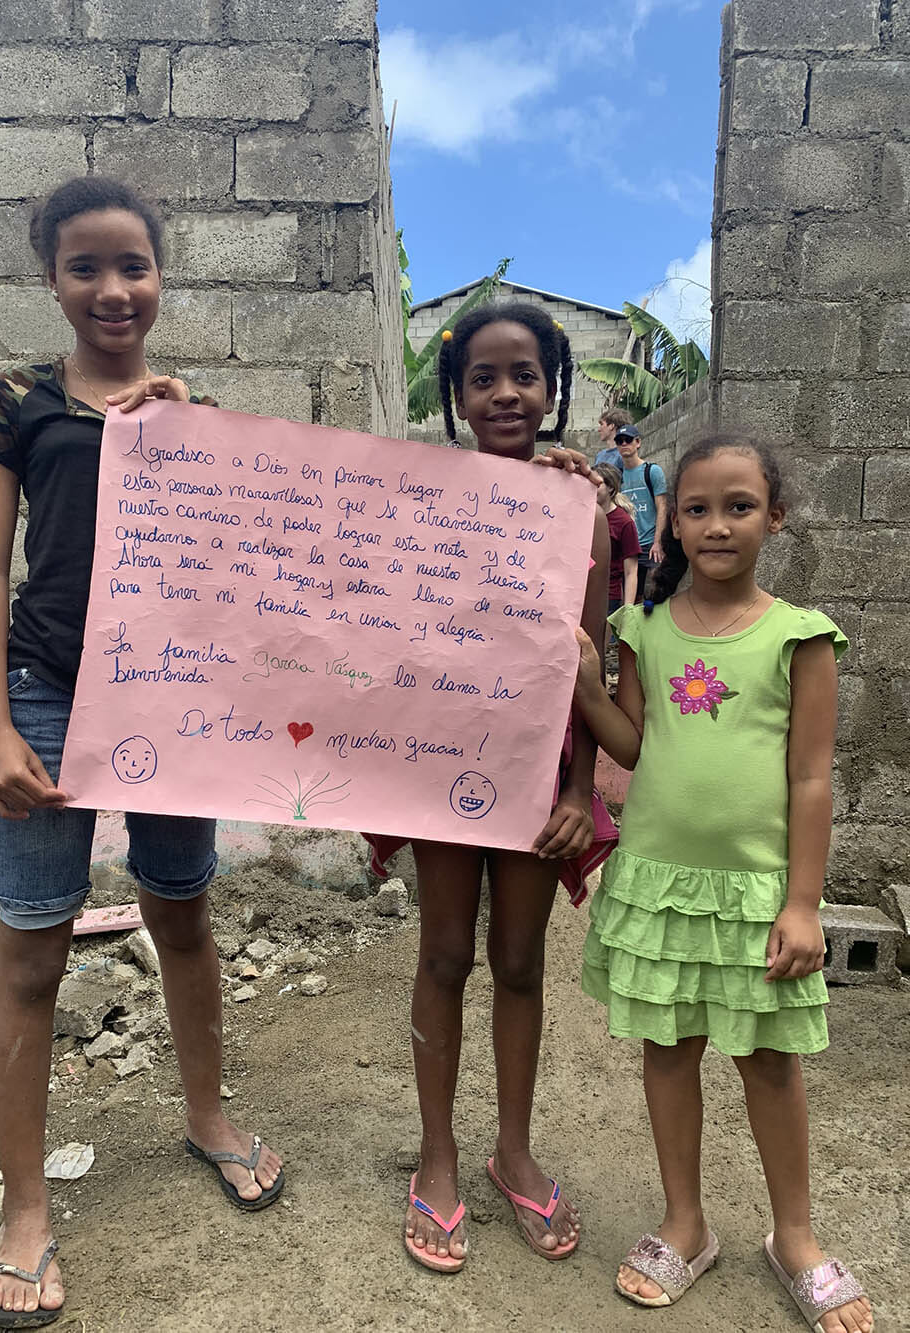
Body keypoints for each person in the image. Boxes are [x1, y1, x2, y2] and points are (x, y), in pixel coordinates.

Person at [0, 176, 284, 1330]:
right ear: (50, 276)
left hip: (168, 702)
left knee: (183, 911)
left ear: (162, 276)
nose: (112, 288)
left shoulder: (191, 408)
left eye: (133, 265)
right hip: (49, 693)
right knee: (31, 952)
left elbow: (244, 568)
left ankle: (207, 1115)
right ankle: (28, 1208)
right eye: (86, 266)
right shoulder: (13, 403)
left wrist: (188, 434)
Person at [571, 435, 873, 1332]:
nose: (716, 524)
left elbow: (811, 777)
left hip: (756, 895)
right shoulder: (648, 632)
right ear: (673, 519)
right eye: (697, 508)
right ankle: (684, 1221)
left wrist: (804, 901)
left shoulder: (800, 636)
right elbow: (634, 747)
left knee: (769, 1062)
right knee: (667, 1053)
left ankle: (796, 1236)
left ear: (774, 518)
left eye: (739, 506)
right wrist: (590, 687)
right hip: (662, 888)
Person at [365, 303, 616, 1273]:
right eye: (483, 376)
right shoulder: (418, 498)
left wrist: (578, 789)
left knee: (517, 961)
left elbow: (592, 665)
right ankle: (436, 1155)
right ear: (456, 395)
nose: (505, 393)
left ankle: (511, 1145)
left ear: (554, 389)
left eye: (524, 375)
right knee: (441, 957)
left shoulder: (580, 507)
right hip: (439, 766)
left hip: (533, 772)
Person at [615, 424, 667, 602]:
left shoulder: (652, 471)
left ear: (637, 443)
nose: (624, 444)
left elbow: (662, 507)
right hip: (627, 545)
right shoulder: (618, 475)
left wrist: (658, 542)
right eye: (619, 441)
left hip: (649, 544)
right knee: (628, 597)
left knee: (653, 596)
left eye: (628, 440)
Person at [595, 462, 640, 614]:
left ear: (611, 488)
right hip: (580, 592)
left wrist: (628, 610)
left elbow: (631, 571)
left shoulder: (624, 522)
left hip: (609, 596)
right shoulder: (582, 514)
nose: (591, 486)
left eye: (597, 483)